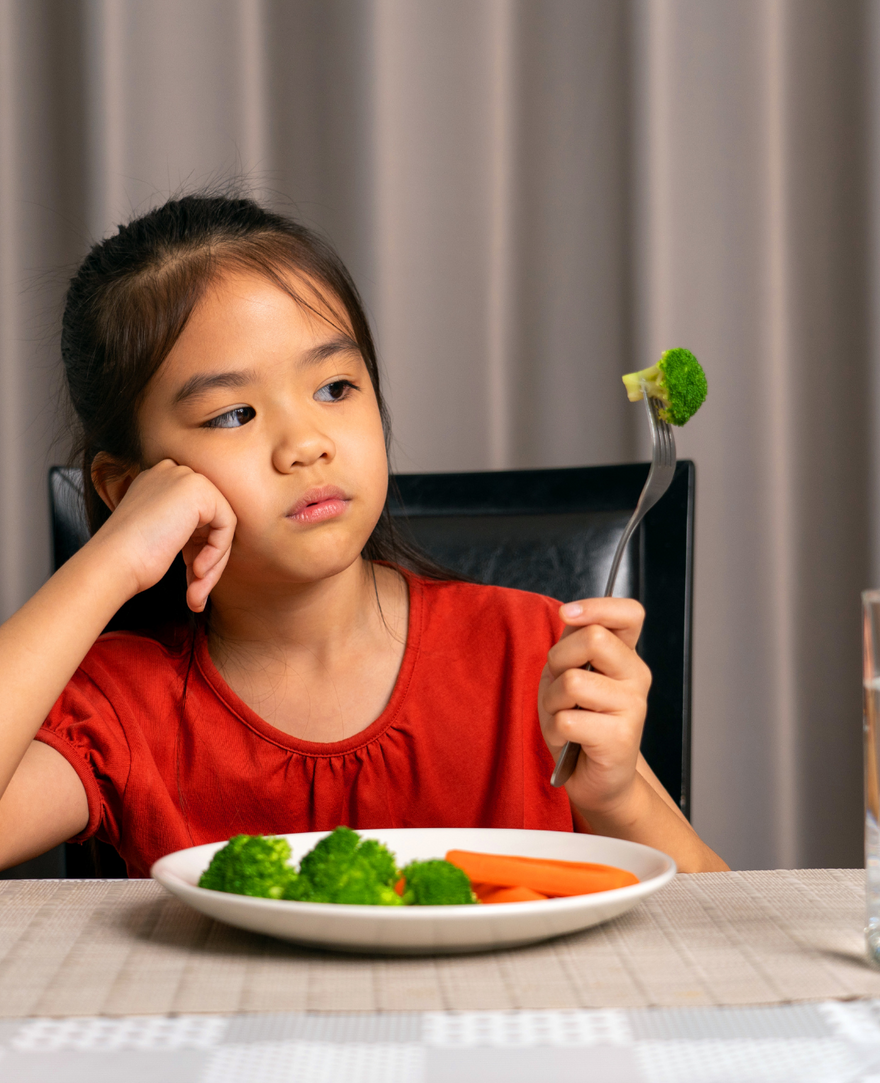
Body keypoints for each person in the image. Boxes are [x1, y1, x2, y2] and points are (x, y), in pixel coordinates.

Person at [0, 195, 727, 878]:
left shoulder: (528, 650)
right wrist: (114, 556)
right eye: (232, 415)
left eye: (335, 389)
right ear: (131, 488)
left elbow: (723, 919)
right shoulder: (123, 706)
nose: (306, 444)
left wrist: (616, 798)